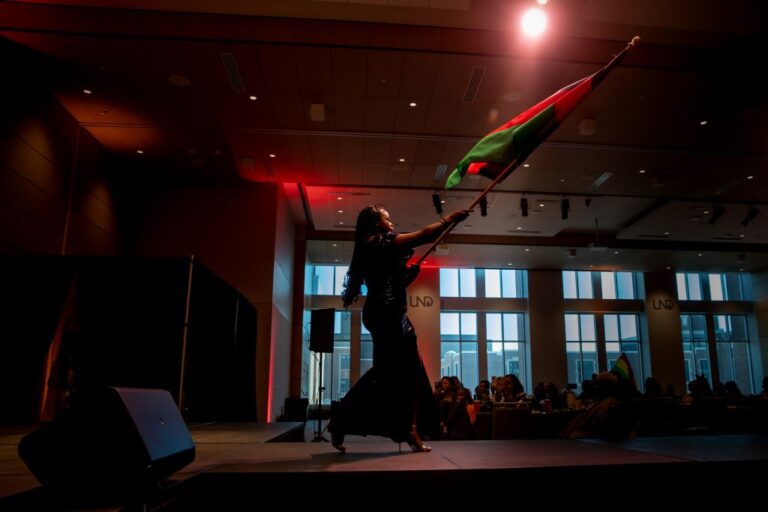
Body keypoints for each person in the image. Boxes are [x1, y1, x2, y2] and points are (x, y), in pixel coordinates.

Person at [327, 205, 471, 453]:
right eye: (387, 219)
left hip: (389, 314)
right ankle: (403, 429)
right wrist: (449, 218)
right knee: (399, 373)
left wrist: (406, 278)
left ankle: (397, 428)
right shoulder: (379, 242)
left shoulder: (373, 246)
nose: (392, 223)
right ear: (376, 223)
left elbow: (386, 283)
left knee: (397, 373)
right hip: (387, 316)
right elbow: (425, 235)